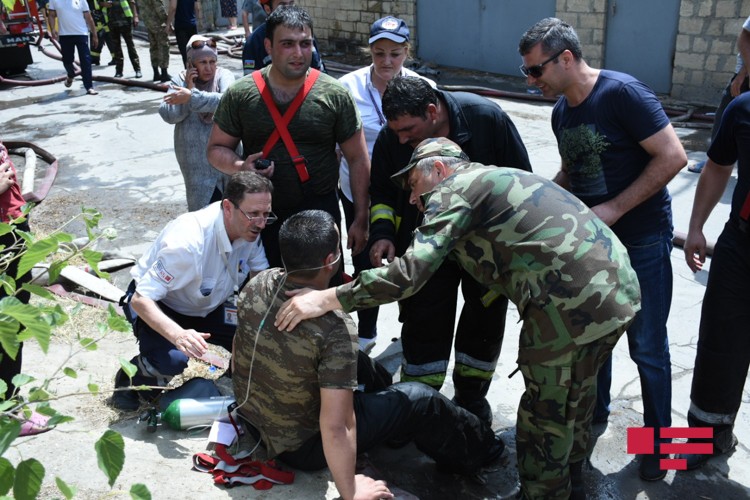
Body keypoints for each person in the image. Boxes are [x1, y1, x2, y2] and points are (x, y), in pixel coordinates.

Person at [274, 138, 641, 500]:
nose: (415, 200)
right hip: (615, 290)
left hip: (570, 304)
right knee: (574, 393)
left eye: (415, 186)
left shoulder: (456, 189)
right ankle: (572, 482)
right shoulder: (491, 180)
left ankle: (543, 494)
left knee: (543, 414)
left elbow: (409, 274)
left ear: (439, 169)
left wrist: (330, 297)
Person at [232, 209, 504, 499]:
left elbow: (241, 349)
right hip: (303, 447)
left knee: (365, 366)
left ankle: (388, 407)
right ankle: (487, 450)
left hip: (253, 420)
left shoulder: (261, 281)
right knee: (420, 399)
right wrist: (350, 490)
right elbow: (337, 426)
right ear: (330, 260)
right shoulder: (335, 328)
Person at [518, 17, 687, 482]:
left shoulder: (622, 94)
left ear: (566, 58)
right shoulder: (561, 113)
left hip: (644, 240)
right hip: (596, 246)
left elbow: (674, 156)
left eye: (536, 71)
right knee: (596, 339)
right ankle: (596, 415)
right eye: (527, 73)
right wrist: (538, 206)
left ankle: (659, 446)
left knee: (647, 346)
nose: (532, 81)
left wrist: (614, 207)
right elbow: (573, 171)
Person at [369, 75, 531, 422]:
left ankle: (471, 399)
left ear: (432, 111)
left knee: (484, 323)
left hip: (486, 255)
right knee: (424, 323)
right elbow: (381, 193)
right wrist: (382, 233)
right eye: (396, 132)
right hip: (428, 249)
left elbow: (522, 186)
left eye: (409, 130)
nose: (402, 140)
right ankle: (416, 404)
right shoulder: (393, 137)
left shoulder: (487, 119)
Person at [208, 5, 369, 278]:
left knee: (324, 296)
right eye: (288, 44)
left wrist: (361, 218)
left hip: (320, 212)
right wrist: (240, 167)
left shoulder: (334, 94)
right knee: (266, 293)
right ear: (268, 46)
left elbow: (358, 158)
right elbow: (215, 149)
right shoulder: (241, 94)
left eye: (306, 44)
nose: (298, 53)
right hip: (260, 216)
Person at [111, 172, 272, 410]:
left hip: (211, 304)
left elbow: (260, 281)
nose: (260, 223)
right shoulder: (187, 242)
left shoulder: (250, 231)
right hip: (162, 305)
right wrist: (179, 335)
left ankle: (233, 379)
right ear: (228, 207)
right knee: (172, 360)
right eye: (253, 214)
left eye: (266, 214)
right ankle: (131, 379)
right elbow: (141, 300)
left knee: (261, 332)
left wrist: (252, 328)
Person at [337, 17, 435, 351]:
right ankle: (366, 332)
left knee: (411, 257)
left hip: (408, 193)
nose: (386, 61)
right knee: (366, 257)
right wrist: (359, 215)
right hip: (360, 191)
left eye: (395, 53)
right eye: (379, 53)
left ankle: (411, 326)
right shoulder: (347, 88)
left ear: (406, 51)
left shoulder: (422, 89)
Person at [678, 91, 750, 469]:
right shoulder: (744, 108)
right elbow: (718, 166)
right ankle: (704, 438)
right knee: (720, 346)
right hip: (741, 245)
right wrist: (696, 228)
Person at [0, 141, 52, 436]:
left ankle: (7, 404)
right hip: (2, 236)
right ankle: (7, 412)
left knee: (14, 319)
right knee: (8, 323)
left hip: (12, 231)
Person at [159, 35, 233, 211]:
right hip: (195, 165)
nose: (209, 68)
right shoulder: (180, 80)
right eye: (202, 62)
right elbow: (168, 114)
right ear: (191, 64)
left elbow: (227, 102)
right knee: (202, 215)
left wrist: (191, 96)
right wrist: (188, 87)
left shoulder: (225, 76)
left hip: (226, 160)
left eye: (212, 61)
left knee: (231, 212)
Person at [690, 15, 750, 174]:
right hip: (746, 78)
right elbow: (745, 37)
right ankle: (714, 161)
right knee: (725, 114)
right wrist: (744, 73)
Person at [240, 0, 325, 76]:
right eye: (282, 5)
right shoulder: (254, 42)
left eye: (291, 4)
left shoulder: (305, 34)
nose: (288, 9)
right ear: (268, 9)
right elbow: (250, 85)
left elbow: (320, 75)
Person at [48, 0, 100, 95]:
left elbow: (89, 17)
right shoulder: (54, 0)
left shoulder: (81, 1)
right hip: (65, 35)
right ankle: (71, 75)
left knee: (86, 60)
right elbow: (51, 15)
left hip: (81, 34)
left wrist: (95, 35)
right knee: (67, 60)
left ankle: (89, 87)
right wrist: (52, 29)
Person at [101, 0, 140, 79]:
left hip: (125, 20)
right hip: (111, 21)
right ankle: (119, 71)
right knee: (116, 47)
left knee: (130, 46)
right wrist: (104, 4)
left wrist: (135, 16)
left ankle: (137, 69)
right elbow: (99, 3)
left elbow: (132, 2)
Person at [138, 0, 171, 82]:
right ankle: (164, 73)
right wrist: (168, 22)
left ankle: (156, 73)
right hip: (158, 23)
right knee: (163, 46)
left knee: (153, 47)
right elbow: (160, 9)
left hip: (149, 23)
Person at [167, 0, 203, 67]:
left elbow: (173, 7)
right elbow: (197, 7)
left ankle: (190, 74)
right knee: (194, 51)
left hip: (181, 26)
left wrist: (168, 24)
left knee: (185, 53)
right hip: (192, 25)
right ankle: (197, 73)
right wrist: (198, 21)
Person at [86, 0, 116, 66]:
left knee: (111, 41)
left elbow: (110, 4)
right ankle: (94, 59)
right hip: (96, 22)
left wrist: (103, 3)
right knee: (95, 41)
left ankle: (115, 58)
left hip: (107, 22)